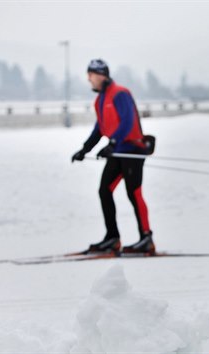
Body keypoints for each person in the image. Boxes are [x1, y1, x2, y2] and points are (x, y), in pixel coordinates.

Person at [71, 59, 155, 255]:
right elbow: (100, 128)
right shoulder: (100, 100)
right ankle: (112, 238)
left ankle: (146, 238)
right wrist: (85, 149)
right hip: (117, 151)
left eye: (90, 75)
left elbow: (127, 121)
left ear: (101, 75)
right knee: (104, 190)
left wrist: (113, 143)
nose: (89, 79)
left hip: (132, 150)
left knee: (134, 193)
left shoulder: (120, 94)